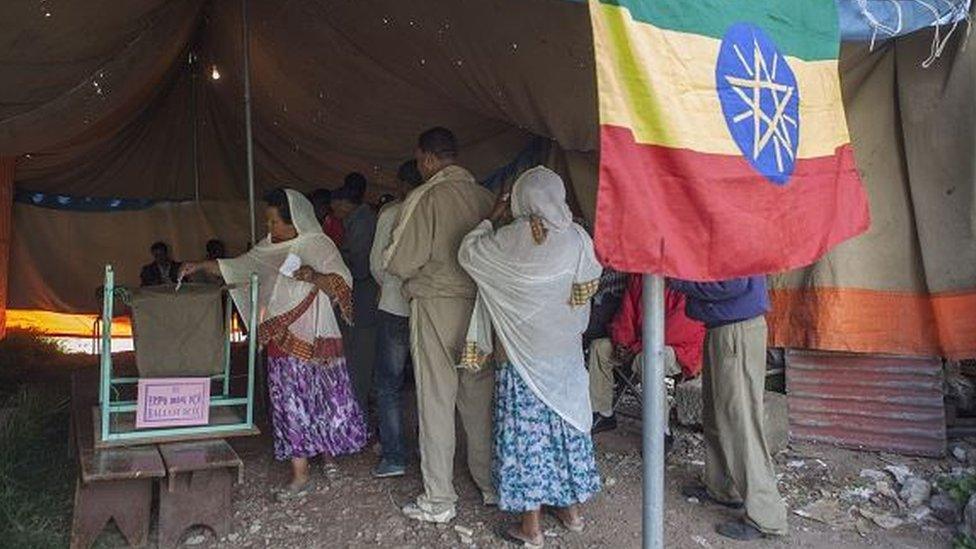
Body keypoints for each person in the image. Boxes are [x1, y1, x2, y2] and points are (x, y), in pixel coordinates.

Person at [179, 189, 368, 496]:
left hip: (318, 335)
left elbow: (342, 281)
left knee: (322, 397)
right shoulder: (266, 250)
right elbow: (235, 266)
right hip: (282, 339)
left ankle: (328, 455)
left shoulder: (317, 245)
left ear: (295, 221)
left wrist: (313, 276)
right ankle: (300, 474)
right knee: (290, 403)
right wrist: (199, 266)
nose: (270, 228)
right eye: (268, 221)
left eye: (274, 221)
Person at [458, 166, 602, 547]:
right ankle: (571, 512)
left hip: (520, 359)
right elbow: (585, 289)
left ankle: (531, 527)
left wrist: (491, 218)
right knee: (564, 427)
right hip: (565, 358)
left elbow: (467, 254)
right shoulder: (577, 238)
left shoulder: (503, 240)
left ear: (519, 199)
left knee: (527, 439)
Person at [384, 127, 495, 523]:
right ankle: (490, 484)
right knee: (479, 398)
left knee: (435, 399)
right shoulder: (485, 197)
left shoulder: (426, 196)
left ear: (427, 159)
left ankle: (440, 499)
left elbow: (397, 262)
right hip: (480, 311)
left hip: (436, 305)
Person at [669, 276, 788, 541]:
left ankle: (766, 517)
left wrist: (678, 281)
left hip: (737, 330)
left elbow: (729, 286)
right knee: (716, 415)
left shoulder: (738, 236)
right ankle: (722, 487)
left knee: (740, 422)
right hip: (724, 328)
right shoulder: (728, 236)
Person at [588, 274, 705, 438]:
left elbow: (676, 330)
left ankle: (661, 431)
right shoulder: (639, 276)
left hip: (681, 348)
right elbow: (626, 312)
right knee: (599, 348)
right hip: (640, 343)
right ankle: (603, 412)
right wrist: (623, 342)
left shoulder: (686, 278)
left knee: (648, 360)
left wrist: (635, 347)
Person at [368, 160, 423, 478]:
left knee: (388, 384)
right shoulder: (434, 210)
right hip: (427, 308)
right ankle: (427, 450)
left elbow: (377, 264)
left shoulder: (390, 214)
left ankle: (395, 457)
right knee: (427, 383)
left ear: (402, 185)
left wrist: (388, 285)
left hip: (393, 305)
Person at [331, 173, 380, 409]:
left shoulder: (360, 222)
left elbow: (360, 268)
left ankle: (357, 409)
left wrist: (335, 262)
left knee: (360, 357)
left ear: (343, 203)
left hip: (363, 297)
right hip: (361, 298)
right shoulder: (356, 220)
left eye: (335, 207)